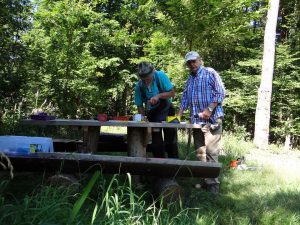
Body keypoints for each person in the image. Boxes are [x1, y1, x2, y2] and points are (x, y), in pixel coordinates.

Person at [177, 51, 225, 195]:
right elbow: (185, 97)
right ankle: (205, 181)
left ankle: (213, 187)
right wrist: (178, 115)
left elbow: (220, 92)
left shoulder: (210, 72)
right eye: (189, 63)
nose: (192, 64)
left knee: (211, 153)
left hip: (212, 120)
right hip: (196, 121)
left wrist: (209, 110)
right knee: (200, 153)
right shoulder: (189, 79)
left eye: (194, 61)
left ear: (200, 60)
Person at [134, 61, 178, 158]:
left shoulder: (160, 76)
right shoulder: (139, 86)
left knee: (171, 138)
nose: (145, 81)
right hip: (154, 114)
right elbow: (139, 105)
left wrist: (158, 96)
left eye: (147, 78)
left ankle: (174, 163)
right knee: (156, 139)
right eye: (143, 79)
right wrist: (143, 119)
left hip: (169, 111)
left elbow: (172, 93)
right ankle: (159, 164)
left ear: (152, 73)